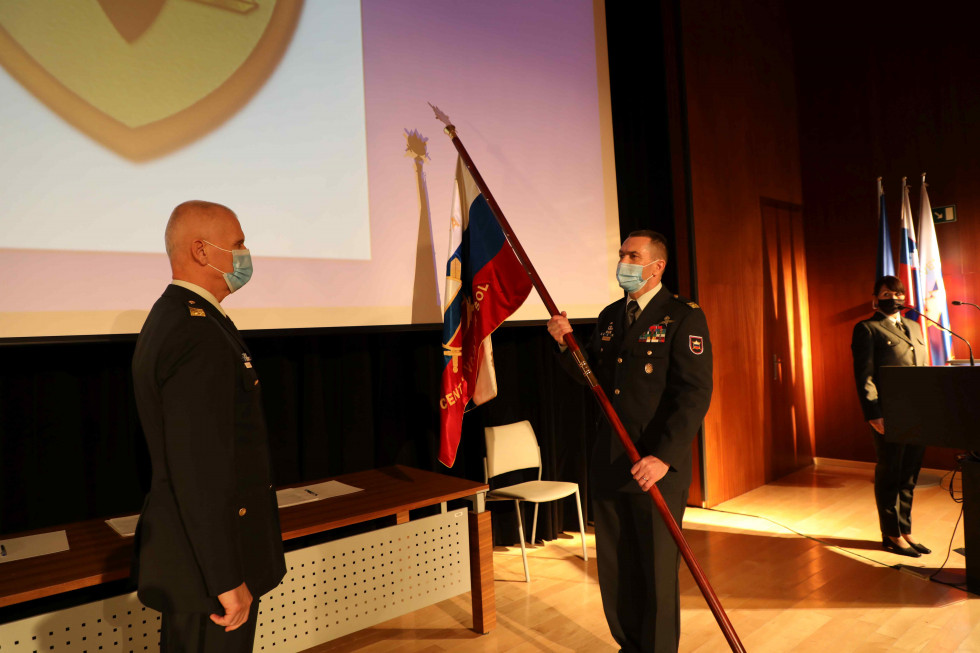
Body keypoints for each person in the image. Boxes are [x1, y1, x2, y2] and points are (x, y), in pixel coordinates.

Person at [547, 230, 712, 653]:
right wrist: (566, 345)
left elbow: (693, 396)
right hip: (611, 460)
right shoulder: (608, 316)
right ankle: (629, 644)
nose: (623, 261)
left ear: (656, 266)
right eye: (621, 254)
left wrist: (663, 457)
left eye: (632, 255)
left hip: (654, 465)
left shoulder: (682, 316)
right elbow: (595, 382)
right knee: (617, 566)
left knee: (655, 569)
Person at [132, 201, 286, 652]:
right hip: (208, 575)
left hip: (197, 560)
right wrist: (226, 577)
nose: (244, 254)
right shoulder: (195, 334)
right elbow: (200, 469)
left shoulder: (181, 318)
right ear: (201, 251)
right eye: (237, 244)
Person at [851, 275, 931, 557]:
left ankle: (905, 531)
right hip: (888, 413)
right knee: (890, 473)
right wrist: (873, 413)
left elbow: (924, 367)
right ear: (876, 298)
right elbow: (865, 375)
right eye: (887, 293)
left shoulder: (913, 325)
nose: (894, 298)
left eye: (898, 294)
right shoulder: (867, 329)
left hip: (919, 412)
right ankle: (890, 534)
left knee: (910, 474)